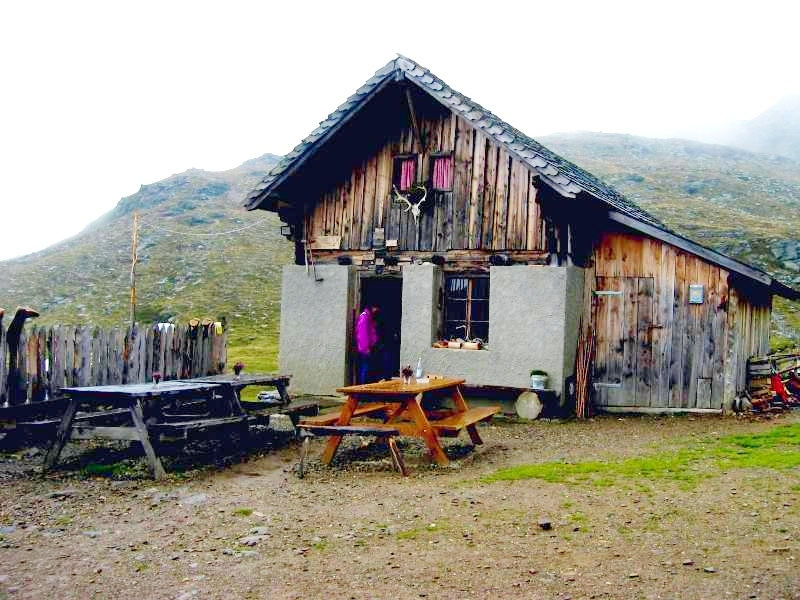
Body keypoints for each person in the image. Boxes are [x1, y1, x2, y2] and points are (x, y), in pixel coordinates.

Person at [354, 303, 380, 384]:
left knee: (368, 370)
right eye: (376, 308)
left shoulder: (369, 317)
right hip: (365, 350)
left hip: (369, 348)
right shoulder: (364, 317)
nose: (377, 310)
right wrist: (366, 349)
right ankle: (362, 388)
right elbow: (362, 334)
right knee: (365, 370)